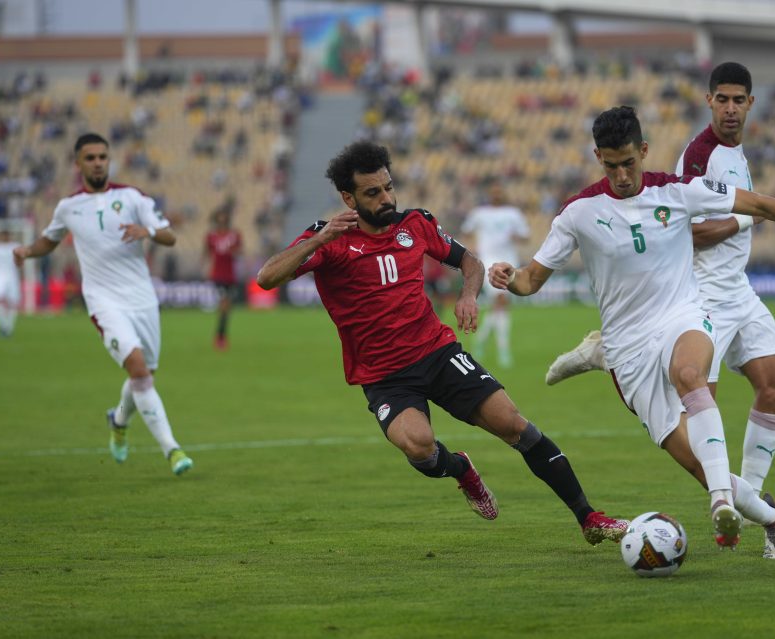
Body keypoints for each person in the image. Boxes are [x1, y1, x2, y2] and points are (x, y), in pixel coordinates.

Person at [488, 106, 775, 557]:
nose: (622, 175)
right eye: (611, 165)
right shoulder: (578, 213)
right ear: (598, 157)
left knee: (690, 374)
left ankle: (720, 502)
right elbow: (531, 280)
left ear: (643, 150)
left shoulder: (678, 192)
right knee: (700, 464)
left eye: (629, 163)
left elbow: (764, 205)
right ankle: (772, 520)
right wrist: (509, 276)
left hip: (682, 317)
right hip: (629, 352)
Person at [255, 141, 627, 546]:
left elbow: (470, 261)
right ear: (349, 198)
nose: (386, 199)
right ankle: (461, 470)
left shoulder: (415, 225)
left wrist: (468, 295)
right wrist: (319, 239)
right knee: (420, 448)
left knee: (514, 424)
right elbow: (267, 278)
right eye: (372, 193)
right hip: (384, 377)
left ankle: (589, 517)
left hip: (437, 352)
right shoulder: (330, 240)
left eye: (388, 187)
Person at [547, 62, 775, 500]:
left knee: (773, 387)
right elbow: (690, 232)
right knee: (695, 409)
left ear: (751, 103)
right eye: (723, 100)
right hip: (702, 291)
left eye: (738, 100)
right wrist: (744, 220)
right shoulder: (701, 156)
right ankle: (730, 500)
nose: (730, 109)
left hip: (738, 287)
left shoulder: (735, 152)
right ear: (709, 101)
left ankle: (751, 495)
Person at [12, 133, 193, 476]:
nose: (97, 163)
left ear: (109, 160)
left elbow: (170, 236)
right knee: (138, 370)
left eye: (102, 157)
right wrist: (27, 251)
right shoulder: (68, 207)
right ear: (78, 163)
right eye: (90, 158)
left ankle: (119, 420)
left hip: (142, 299)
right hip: (103, 301)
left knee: (144, 376)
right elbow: (49, 240)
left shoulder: (132, 197)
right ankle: (172, 450)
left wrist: (148, 232)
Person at [460, 181, 530, 367]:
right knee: (501, 301)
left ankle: (480, 342)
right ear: (490, 194)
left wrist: (517, 237)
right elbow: (466, 231)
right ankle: (503, 349)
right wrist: (472, 249)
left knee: (499, 305)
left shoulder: (513, 213)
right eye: (494, 192)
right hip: (488, 261)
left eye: (499, 192)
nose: (497, 195)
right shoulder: (480, 213)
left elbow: (526, 236)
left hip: (509, 262)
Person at [205, 207, 242, 351]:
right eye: (220, 216)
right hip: (218, 275)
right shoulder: (211, 236)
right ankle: (220, 337)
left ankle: (221, 335)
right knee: (224, 304)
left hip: (230, 276)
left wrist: (232, 252)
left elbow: (239, 251)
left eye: (224, 216)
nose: (222, 219)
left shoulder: (235, 235)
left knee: (227, 307)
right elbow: (207, 253)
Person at [0, 229, 21, 337]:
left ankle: (9, 327)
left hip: (13, 277)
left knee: (13, 303)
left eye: (6, 235)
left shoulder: (15, 247)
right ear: (0, 236)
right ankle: (2, 326)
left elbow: (20, 262)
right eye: (3, 235)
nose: (5, 237)